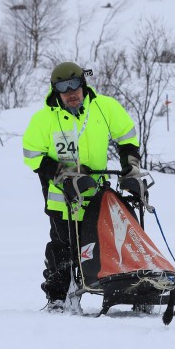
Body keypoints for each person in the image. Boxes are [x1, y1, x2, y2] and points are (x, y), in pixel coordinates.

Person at [22, 62, 142, 311]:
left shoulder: (105, 107)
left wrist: (131, 170)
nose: (71, 93)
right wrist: (64, 174)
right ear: (55, 90)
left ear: (83, 84)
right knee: (63, 247)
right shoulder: (44, 119)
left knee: (109, 242)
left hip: (97, 196)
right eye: (63, 88)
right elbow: (32, 156)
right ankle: (57, 298)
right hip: (62, 198)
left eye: (74, 85)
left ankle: (129, 287)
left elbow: (127, 138)